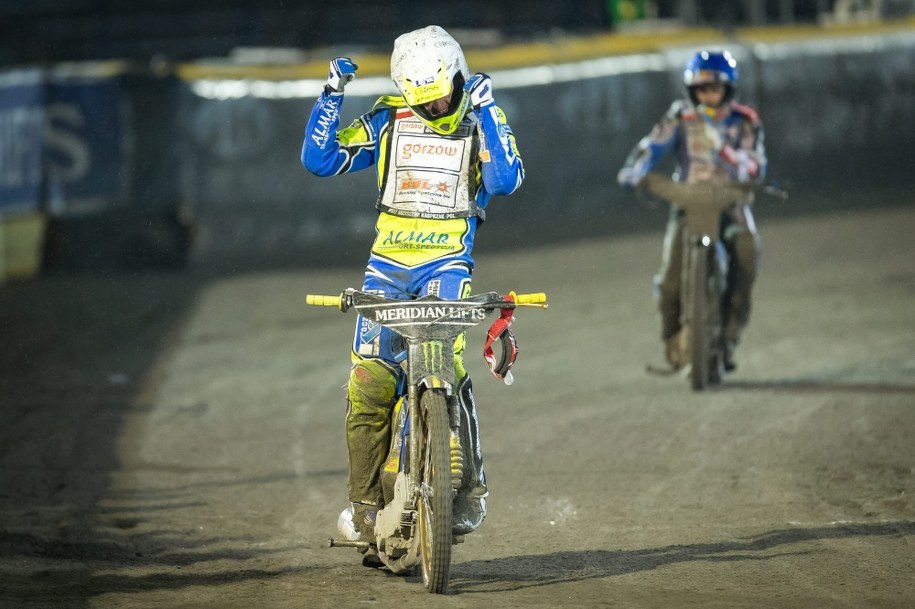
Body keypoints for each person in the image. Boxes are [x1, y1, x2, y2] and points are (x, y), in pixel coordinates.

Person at [301, 25, 525, 550]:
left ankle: (469, 490)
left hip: (447, 267)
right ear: (406, 91)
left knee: (453, 368)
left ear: (460, 77)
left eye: (443, 94)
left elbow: (505, 181)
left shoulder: (478, 119)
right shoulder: (385, 119)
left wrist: (489, 110)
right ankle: (363, 506)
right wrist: (330, 95)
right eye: (421, 100)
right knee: (370, 384)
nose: (433, 108)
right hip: (384, 270)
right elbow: (320, 160)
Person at [617, 49, 767, 371]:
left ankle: (729, 337)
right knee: (670, 279)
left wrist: (726, 153)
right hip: (689, 203)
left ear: (728, 88)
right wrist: (635, 170)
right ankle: (673, 344)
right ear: (692, 90)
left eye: (714, 88)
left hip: (731, 203)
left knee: (747, 253)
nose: (708, 96)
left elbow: (755, 167)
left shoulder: (746, 121)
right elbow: (651, 146)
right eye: (701, 90)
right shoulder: (680, 117)